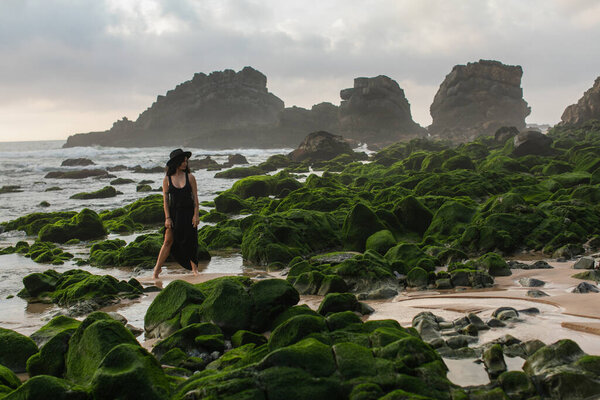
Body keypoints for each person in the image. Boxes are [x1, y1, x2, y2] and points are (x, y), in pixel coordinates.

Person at [153, 148, 200, 279]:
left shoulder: (190, 177)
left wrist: (196, 215)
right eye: (183, 161)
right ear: (177, 162)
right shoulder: (167, 179)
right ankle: (156, 270)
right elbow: (165, 202)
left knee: (191, 241)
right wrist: (167, 218)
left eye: (186, 161)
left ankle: (195, 269)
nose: (185, 164)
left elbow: (195, 198)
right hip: (174, 214)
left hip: (188, 212)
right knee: (167, 241)